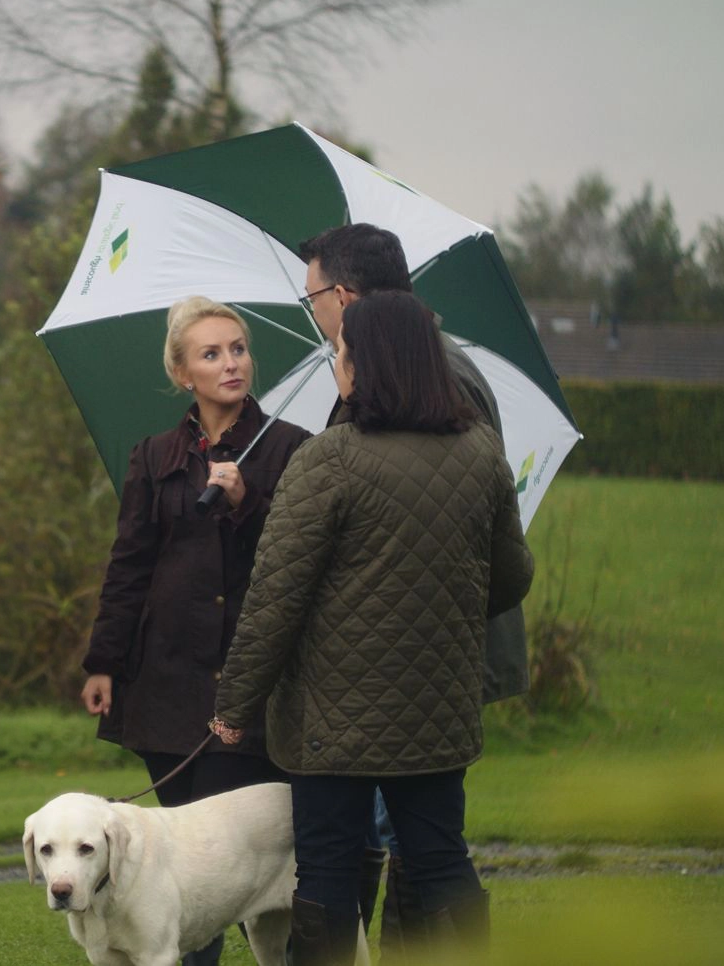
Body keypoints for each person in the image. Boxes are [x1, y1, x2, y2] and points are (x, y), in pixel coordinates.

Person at [211, 290, 535, 965]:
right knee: (444, 862)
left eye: (341, 351)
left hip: (334, 720)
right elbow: (512, 578)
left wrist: (234, 706)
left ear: (366, 364)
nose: (336, 362)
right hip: (438, 711)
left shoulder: (330, 460)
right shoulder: (480, 453)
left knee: (327, 871)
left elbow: (276, 597)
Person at [298, 223, 531, 957]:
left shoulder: (440, 377)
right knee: (404, 840)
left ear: (344, 295)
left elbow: (466, 545)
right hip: (406, 656)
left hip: (411, 660)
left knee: (413, 845)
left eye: (310, 300)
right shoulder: (405, 369)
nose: (312, 316)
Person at [79, 295, 311, 966]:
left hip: (250, 687)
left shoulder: (293, 450)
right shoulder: (154, 458)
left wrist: (248, 504)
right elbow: (129, 565)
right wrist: (104, 662)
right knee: (169, 864)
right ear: (183, 372)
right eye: (211, 353)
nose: (231, 363)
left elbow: (303, 560)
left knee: (227, 869)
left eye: (237, 349)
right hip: (166, 684)